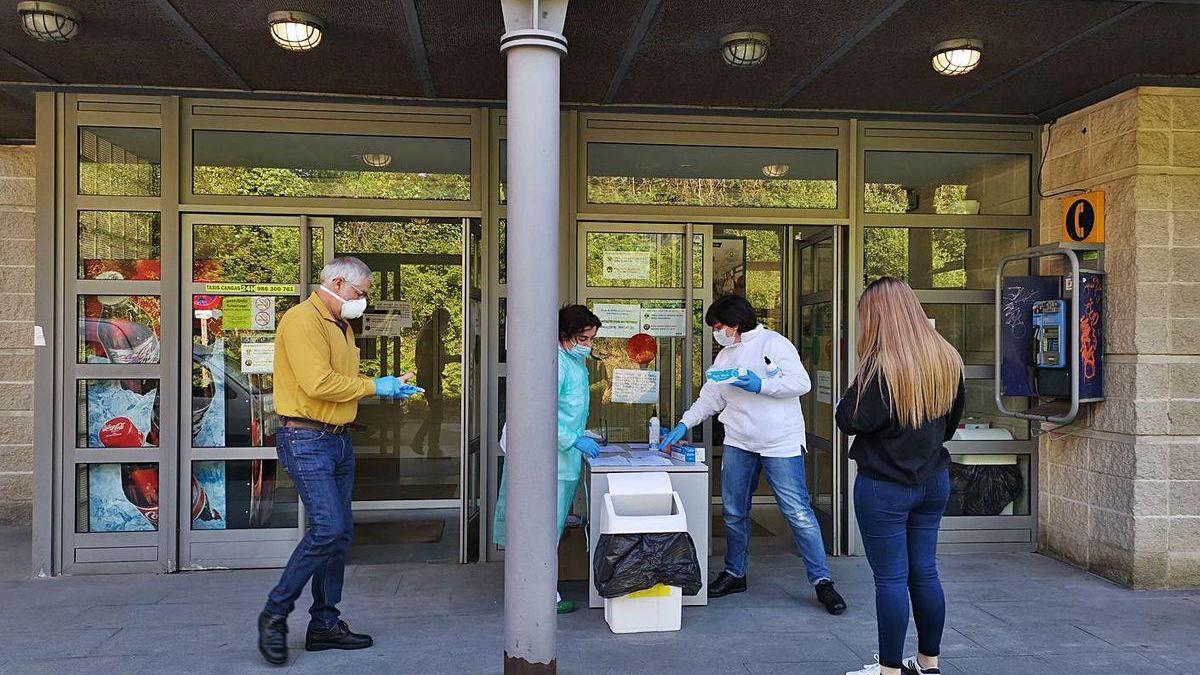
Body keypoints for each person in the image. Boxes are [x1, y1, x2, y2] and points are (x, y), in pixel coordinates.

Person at [257, 257, 421, 666]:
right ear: (335, 281)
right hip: (305, 436)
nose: (362, 301)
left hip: (336, 440)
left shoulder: (341, 326)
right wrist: (374, 386)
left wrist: (383, 386)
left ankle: (325, 624)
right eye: (359, 292)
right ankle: (275, 614)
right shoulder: (301, 321)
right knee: (328, 529)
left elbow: (339, 385)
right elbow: (318, 383)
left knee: (339, 533)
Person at [658, 294, 846, 615]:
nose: (716, 332)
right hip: (738, 441)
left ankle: (822, 581)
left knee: (797, 512)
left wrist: (761, 384)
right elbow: (710, 399)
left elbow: (801, 383)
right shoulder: (725, 357)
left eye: (718, 326)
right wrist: (682, 424)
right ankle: (735, 573)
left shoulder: (774, 344)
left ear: (735, 322)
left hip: (780, 442)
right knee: (733, 511)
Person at [837, 277, 965, 675]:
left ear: (877, 318)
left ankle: (890, 670)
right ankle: (928, 663)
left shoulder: (880, 369)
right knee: (924, 571)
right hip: (932, 482)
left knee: (890, 579)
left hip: (884, 487)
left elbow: (850, 420)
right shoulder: (948, 359)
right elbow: (949, 426)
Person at [493, 304, 603, 615]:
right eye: (584, 338)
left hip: (562, 459)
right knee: (539, 530)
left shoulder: (573, 362)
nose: (589, 345)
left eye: (592, 339)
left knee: (547, 529)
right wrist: (572, 438)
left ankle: (536, 590)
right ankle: (539, 597)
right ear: (566, 335)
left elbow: (569, 408)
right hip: (544, 461)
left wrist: (583, 432)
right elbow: (537, 412)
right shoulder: (552, 363)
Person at [411, 306, 450, 456]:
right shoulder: (430, 335)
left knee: (435, 412)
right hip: (430, 379)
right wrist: (456, 358)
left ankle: (421, 442)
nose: (446, 326)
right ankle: (431, 448)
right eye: (446, 322)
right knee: (437, 413)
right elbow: (431, 358)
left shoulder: (429, 332)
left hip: (430, 377)